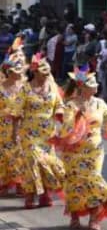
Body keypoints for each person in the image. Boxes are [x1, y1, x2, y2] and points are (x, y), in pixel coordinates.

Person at [53, 65, 107, 230]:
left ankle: (95, 216)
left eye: (95, 83)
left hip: (94, 151)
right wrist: (78, 115)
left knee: (92, 179)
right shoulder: (70, 105)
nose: (96, 86)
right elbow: (65, 128)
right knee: (74, 182)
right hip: (73, 152)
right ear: (82, 87)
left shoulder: (100, 103)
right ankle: (75, 216)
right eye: (92, 83)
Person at [19, 53, 65, 209]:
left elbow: (60, 105)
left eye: (48, 73)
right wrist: (12, 133)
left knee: (46, 165)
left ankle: (45, 195)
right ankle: (30, 194)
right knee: (33, 162)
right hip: (29, 133)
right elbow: (16, 111)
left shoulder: (53, 88)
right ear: (35, 72)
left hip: (48, 134)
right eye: (43, 73)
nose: (46, 76)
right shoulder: (25, 89)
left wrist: (63, 122)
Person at [0, 39, 26, 196]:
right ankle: (4, 182)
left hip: (22, 125)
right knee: (4, 155)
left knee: (20, 154)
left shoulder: (25, 86)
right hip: (3, 125)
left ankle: (20, 183)